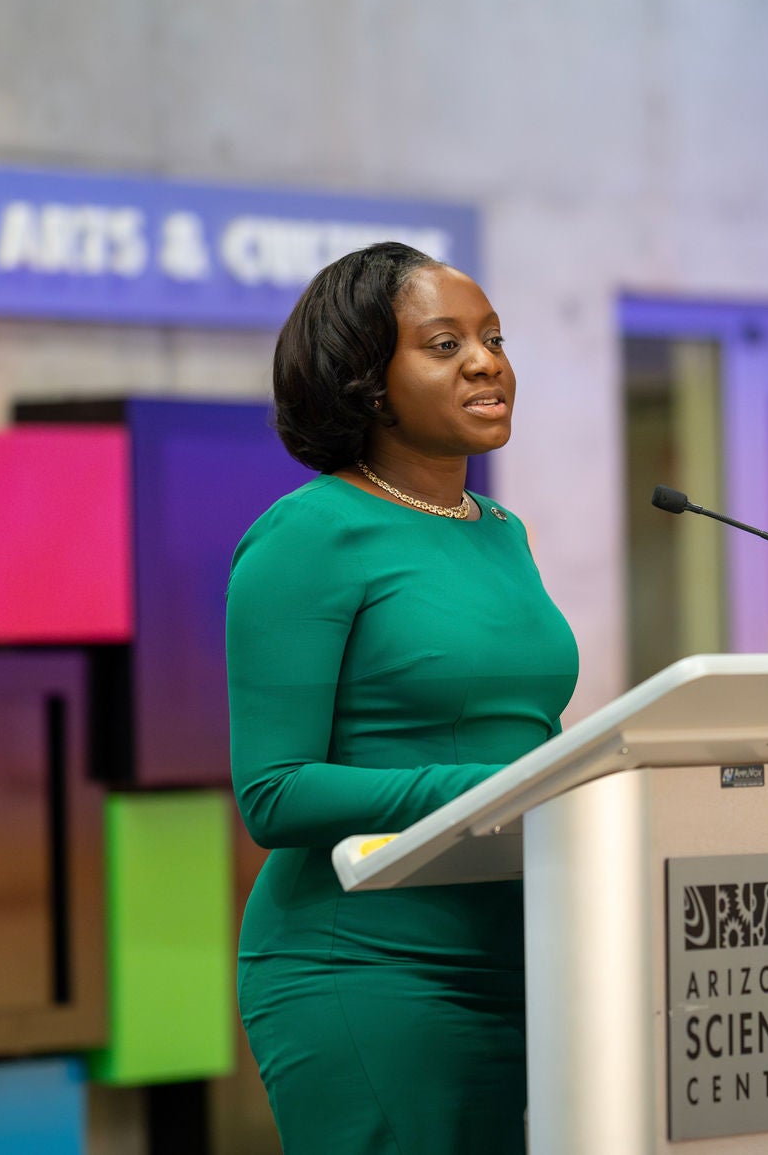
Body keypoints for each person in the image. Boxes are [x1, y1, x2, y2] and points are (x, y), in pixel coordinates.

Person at [226, 241, 578, 1154]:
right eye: (444, 342)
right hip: (369, 962)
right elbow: (273, 791)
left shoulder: (501, 531)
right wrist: (493, 786)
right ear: (365, 381)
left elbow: (526, 728)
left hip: (525, 950)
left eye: (494, 338)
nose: (486, 361)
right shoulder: (311, 534)